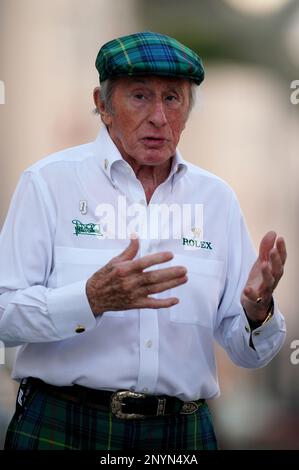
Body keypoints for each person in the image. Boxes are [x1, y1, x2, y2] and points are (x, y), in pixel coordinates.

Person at [1, 31, 286, 451]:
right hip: (65, 424)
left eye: (172, 98)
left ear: (188, 110)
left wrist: (257, 311)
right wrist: (91, 298)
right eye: (139, 96)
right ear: (102, 105)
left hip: (181, 433)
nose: (158, 116)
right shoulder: (49, 183)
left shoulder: (217, 199)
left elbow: (249, 354)